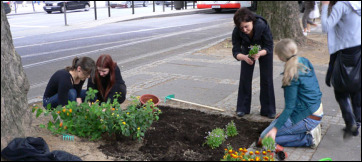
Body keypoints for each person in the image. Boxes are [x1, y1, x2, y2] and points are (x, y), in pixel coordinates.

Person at [259, 39, 323, 151]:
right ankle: (303, 133)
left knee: (265, 138)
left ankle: (308, 138)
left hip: (308, 117)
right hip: (316, 109)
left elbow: (290, 107)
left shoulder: (290, 75)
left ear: (281, 57)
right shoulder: (304, 61)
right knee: (271, 133)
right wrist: (283, 114)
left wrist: (274, 130)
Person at [321, 1, 361, 138]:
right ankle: (358, 121)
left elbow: (325, 27)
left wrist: (324, 6)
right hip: (359, 49)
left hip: (344, 51)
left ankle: (351, 123)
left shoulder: (342, 6)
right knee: (357, 86)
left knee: (340, 90)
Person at [232, 7, 276, 119]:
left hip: (263, 49)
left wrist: (260, 53)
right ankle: (242, 108)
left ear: (252, 21)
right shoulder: (237, 31)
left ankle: (268, 109)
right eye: (242, 28)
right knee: (245, 77)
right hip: (247, 50)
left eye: (246, 26)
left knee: (266, 78)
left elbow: (269, 46)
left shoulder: (262, 25)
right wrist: (244, 57)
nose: (244, 30)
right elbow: (235, 51)